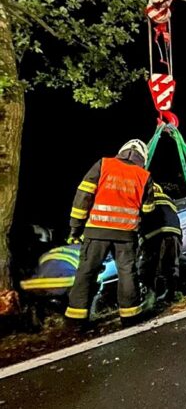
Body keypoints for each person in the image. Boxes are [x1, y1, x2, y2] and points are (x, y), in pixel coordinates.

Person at [65, 139, 155, 326]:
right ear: (143, 157)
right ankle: (130, 316)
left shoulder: (103, 164)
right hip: (126, 234)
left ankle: (76, 319)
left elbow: (83, 195)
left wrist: (76, 227)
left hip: (97, 231)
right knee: (127, 273)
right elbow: (148, 210)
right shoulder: (144, 175)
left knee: (86, 272)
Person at [138, 182, 182, 308]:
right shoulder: (167, 198)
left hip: (154, 234)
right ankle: (171, 293)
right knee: (171, 265)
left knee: (148, 267)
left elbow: (141, 218)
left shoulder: (144, 198)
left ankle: (149, 297)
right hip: (174, 233)